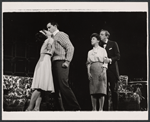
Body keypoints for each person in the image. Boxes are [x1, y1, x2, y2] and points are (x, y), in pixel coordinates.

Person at [45, 21, 81, 111]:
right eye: (47, 28)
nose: (48, 29)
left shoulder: (60, 34)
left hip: (61, 62)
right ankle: (60, 110)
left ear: (55, 26)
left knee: (63, 85)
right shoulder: (52, 37)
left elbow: (70, 47)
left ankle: (75, 108)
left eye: (49, 27)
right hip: (54, 63)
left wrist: (67, 61)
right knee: (55, 88)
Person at [25, 30, 55, 111]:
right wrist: (50, 37)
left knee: (42, 88)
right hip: (44, 64)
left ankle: (36, 108)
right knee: (39, 87)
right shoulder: (49, 40)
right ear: (45, 34)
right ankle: (30, 108)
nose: (49, 31)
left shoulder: (47, 41)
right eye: (46, 31)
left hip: (45, 63)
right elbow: (50, 47)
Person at [99, 29, 120, 111]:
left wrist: (110, 60)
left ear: (106, 36)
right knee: (104, 91)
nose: (100, 36)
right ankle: (105, 111)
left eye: (101, 34)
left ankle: (115, 110)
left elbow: (118, 56)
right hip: (103, 71)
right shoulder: (99, 45)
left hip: (112, 71)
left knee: (114, 91)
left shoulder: (113, 44)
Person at [86, 33, 108, 111]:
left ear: (98, 40)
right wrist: (88, 72)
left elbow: (105, 62)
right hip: (92, 70)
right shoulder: (89, 52)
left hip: (100, 69)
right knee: (93, 90)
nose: (91, 40)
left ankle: (101, 109)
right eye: (91, 39)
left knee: (101, 89)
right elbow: (88, 63)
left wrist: (104, 71)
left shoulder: (102, 50)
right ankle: (94, 109)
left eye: (93, 39)